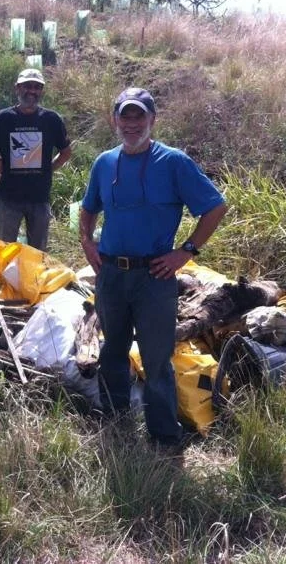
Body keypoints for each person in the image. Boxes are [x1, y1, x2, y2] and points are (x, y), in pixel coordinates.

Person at [79, 87, 227, 452]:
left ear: (152, 120)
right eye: (124, 116)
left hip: (155, 277)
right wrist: (86, 241)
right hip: (111, 274)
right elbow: (88, 207)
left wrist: (186, 251)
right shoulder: (105, 162)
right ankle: (114, 421)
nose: (131, 124)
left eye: (138, 116)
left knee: (156, 358)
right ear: (114, 120)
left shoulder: (173, 162)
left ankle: (164, 436)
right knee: (112, 349)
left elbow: (215, 208)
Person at [0, 68, 72, 251]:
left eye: (37, 87)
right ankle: (4, 281)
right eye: (27, 86)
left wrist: (49, 168)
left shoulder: (51, 120)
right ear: (17, 88)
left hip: (40, 198)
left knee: (38, 254)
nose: (32, 91)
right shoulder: (3, 118)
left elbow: (66, 151)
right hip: (9, 197)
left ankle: (33, 281)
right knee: (5, 252)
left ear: (41, 91)